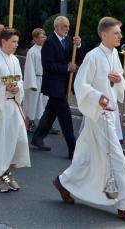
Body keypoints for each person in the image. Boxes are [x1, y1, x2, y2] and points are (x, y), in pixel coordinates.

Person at [52, 17, 125, 225]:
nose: (120, 36)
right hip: (99, 114)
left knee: (87, 156)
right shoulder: (93, 56)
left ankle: (63, 182)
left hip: (110, 113)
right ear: (104, 35)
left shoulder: (114, 55)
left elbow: (118, 79)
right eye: (116, 33)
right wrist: (97, 97)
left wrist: (118, 80)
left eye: (120, 32)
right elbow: (80, 84)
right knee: (116, 158)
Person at [0, 28, 30, 192]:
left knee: (16, 142)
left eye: (17, 42)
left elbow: (20, 80)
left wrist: (17, 88)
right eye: (13, 41)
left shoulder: (15, 60)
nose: (16, 45)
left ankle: (8, 175)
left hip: (12, 106)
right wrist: (4, 89)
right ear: (3, 41)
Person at [31, 15, 82, 159]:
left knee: (51, 112)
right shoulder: (49, 42)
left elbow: (76, 57)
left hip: (64, 84)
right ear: (56, 27)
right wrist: (66, 68)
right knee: (65, 116)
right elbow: (48, 65)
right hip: (53, 86)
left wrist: (78, 46)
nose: (67, 29)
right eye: (65, 26)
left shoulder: (68, 40)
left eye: (68, 26)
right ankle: (73, 149)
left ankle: (37, 138)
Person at [23, 28, 47, 133]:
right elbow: (29, 68)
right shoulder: (32, 52)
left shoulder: (45, 49)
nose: (44, 39)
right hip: (35, 80)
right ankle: (30, 122)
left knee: (42, 102)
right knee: (32, 102)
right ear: (35, 38)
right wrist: (32, 83)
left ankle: (42, 121)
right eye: (42, 37)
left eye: (44, 36)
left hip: (43, 79)